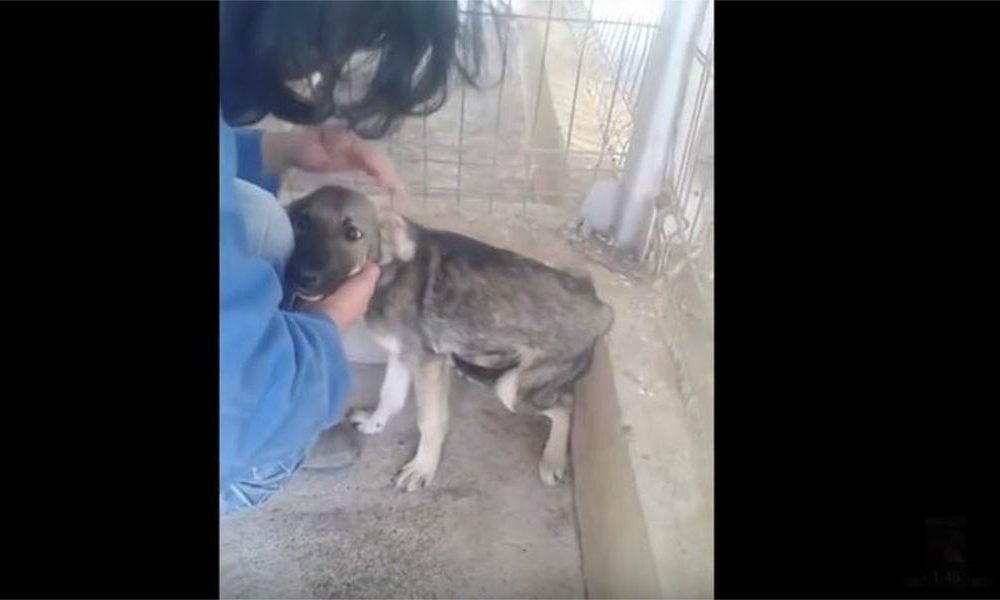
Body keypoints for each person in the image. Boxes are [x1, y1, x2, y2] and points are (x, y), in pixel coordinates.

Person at [219, 0, 487, 515]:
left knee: (256, 212)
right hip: (235, 434)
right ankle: (279, 446)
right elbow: (235, 412)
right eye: (343, 45)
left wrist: (282, 150)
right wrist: (329, 324)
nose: (325, 70)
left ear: (381, 248)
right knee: (278, 417)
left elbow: (422, 360)